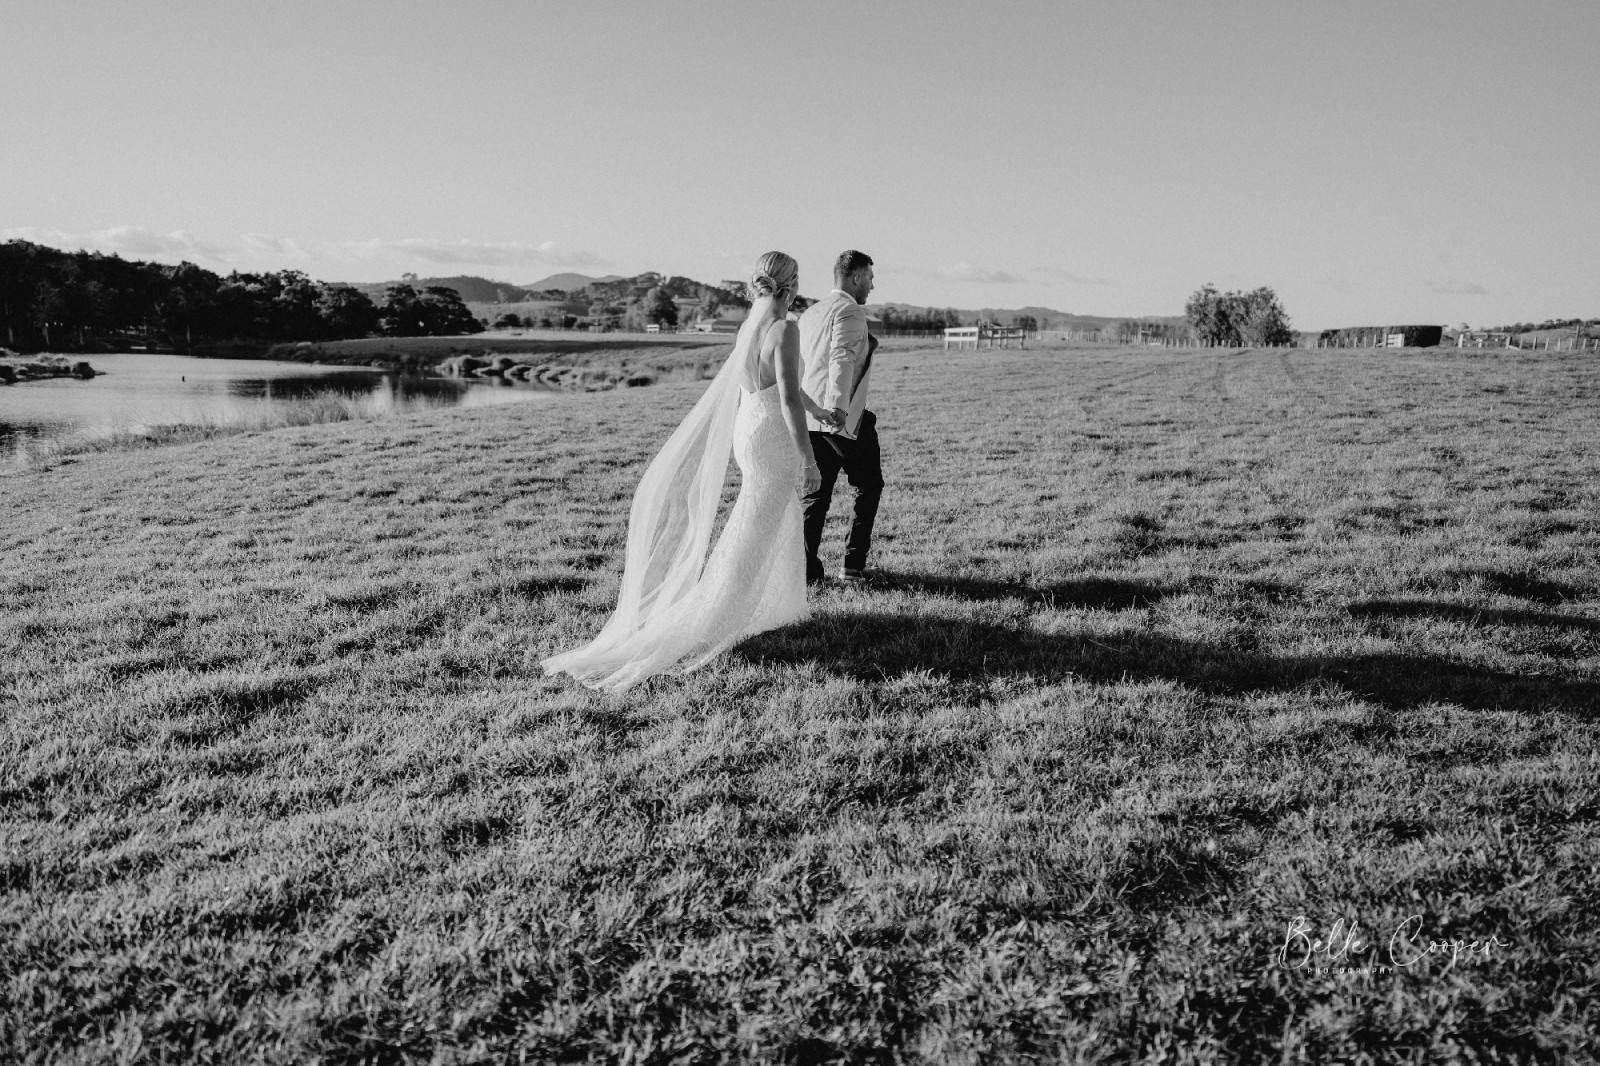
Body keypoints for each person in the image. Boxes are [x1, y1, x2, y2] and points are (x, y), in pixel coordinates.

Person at [541, 252, 840, 693]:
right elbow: (789, 400)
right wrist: (811, 460)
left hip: (749, 428)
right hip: (773, 435)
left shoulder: (750, 326)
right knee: (757, 526)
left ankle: (775, 606)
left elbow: (787, 388)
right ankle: (719, 614)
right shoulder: (787, 328)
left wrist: (820, 410)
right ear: (791, 284)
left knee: (768, 516)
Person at [798, 249, 883, 583]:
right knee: (870, 486)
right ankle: (853, 564)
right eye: (870, 279)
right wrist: (838, 407)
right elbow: (841, 357)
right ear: (856, 277)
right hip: (841, 419)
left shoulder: (811, 313)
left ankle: (805, 574)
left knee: (815, 499)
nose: (872, 287)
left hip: (808, 418)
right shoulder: (849, 310)